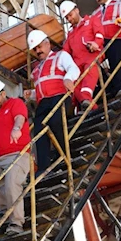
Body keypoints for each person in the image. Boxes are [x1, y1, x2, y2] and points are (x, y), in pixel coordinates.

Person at [0, 78, 32, 235]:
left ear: (3, 94)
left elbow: (20, 118)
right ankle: (7, 208)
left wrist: (17, 129)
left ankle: (16, 223)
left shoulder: (16, 103)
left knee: (11, 182)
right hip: (1, 159)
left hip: (19, 154)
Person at [24, 30, 80, 174]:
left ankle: (66, 154)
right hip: (43, 103)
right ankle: (43, 168)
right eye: (35, 49)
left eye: (39, 47)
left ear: (47, 43)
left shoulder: (61, 56)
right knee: (38, 131)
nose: (38, 51)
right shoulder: (37, 69)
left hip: (59, 97)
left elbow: (74, 68)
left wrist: (68, 78)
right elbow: (43, 88)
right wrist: (31, 95)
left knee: (55, 121)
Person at [60, 0, 105, 111]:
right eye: (67, 18)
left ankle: (86, 98)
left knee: (90, 68)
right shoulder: (70, 33)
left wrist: (96, 43)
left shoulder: (91, 20)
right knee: (71, 82)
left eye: (70, 15)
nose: (69, 19)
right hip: (77, 62)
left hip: (92, 56)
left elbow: (99, 33)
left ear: (77, 10)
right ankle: (92, 107)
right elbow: (65, 51)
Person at [91, 0, 121, 96]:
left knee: (116, 62)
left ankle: (119, 88)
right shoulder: (95, 13)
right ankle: (108, 89)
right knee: (95, 64)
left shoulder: (118, 3)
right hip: (102, 42)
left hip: (115, 38)